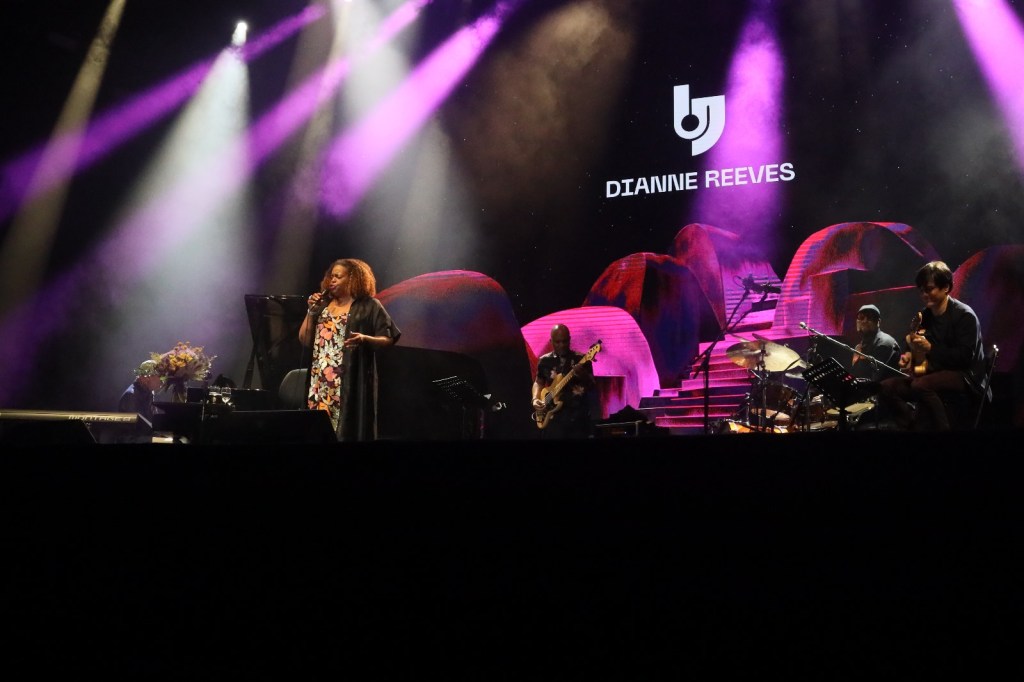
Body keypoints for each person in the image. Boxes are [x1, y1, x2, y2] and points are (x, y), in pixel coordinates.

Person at [878, 261, 988, 431]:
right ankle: (911, 424)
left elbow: (964, 357)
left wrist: (930, 349)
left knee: (920, 385)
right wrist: (907, 357)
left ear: (946, 287)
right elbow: (914, 348)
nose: (924, 294)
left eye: (929, 289)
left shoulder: (965, 315)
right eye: (921, 290)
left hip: (967, 375)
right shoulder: (925, 316)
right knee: (885, 387)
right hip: (933, 373)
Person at [298, 258, 401, 441]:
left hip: (349, 381)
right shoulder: (322, 306)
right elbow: (304, 340)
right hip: (320, 382)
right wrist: (310, 311)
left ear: (354, 279)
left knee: (346, 430)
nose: (333, 280)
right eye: (331, 276)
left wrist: (365, 339)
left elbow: (390, 337)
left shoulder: (369, 306)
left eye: (338, 276)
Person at [531, 324, 597, 439]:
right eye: (557, 342)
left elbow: (592, 386)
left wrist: (583, 375)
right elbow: (539, 382)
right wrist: (535, 398)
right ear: (551, 341)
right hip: (554, 420)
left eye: (565, 341)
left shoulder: (580, 359)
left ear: (570, 339)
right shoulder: (544, 361)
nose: (561, 345)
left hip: (578, 419)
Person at [849, 304, 902, 382]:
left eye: (870, 318)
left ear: (878, 322)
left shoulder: (885, 342)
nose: (864, 321)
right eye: (861, 317)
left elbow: (876, 379)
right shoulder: (860, 346)